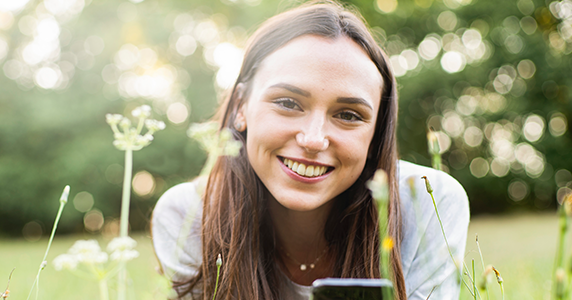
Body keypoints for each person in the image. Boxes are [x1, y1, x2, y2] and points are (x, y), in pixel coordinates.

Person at [152, 1, 469, 299]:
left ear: (376, 134)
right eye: (288, 103)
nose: (314, 139)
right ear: (240, 107)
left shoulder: (428, 202)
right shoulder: (189, 216)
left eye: (348, 115)